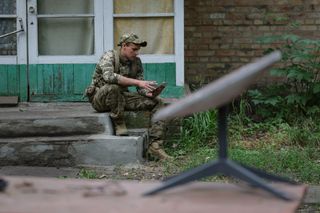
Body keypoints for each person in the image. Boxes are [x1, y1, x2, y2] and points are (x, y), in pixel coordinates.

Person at [85, 33, 172, 160]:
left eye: (138, 50)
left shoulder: (136, 62)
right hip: (100, 99)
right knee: (112, 87)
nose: (137, 53)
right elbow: (109, 77)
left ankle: (155, 145)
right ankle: (119, 122)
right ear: (124, 46)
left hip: (120, 98)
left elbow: (140, 87)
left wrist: (147, 93)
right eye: (134, 49)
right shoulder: (109, 56)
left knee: (158, 102)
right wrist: (138, 83)